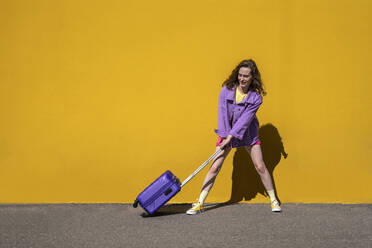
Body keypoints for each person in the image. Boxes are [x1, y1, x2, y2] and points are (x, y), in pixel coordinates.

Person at [186, 59, 281, 215]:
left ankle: (274, 200)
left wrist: (231, 137)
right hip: (226, 132)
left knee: (260, 166)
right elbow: (222, 114)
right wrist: (225, 136)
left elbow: (245, 120)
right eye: (240, 75)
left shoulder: (256, 98)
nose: (242, 79)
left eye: (246, 76)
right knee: (215, 167)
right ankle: (200, 202)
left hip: (247, 133)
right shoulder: (226, 90)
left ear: (252, 78)